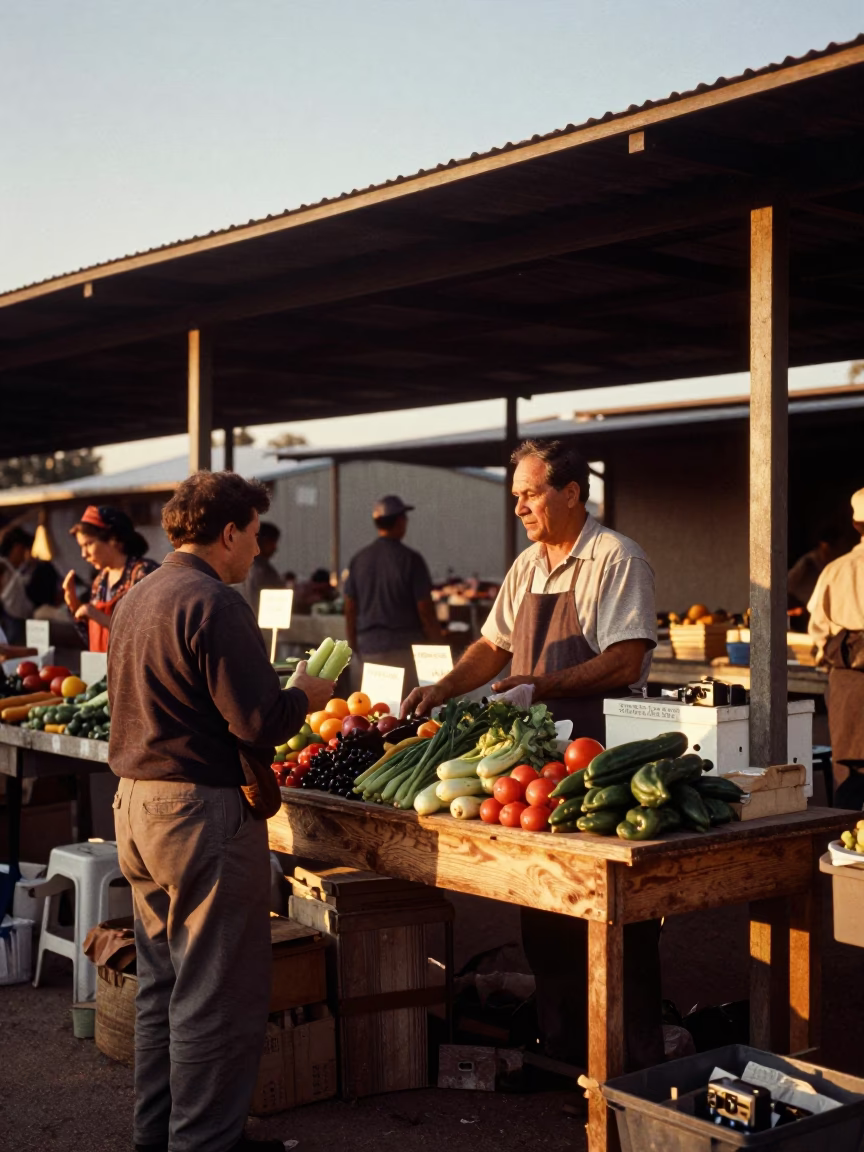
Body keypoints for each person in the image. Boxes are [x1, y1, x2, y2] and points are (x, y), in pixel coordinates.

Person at [401, 439, 660, 1070]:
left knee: (610, 915)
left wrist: (542, 684)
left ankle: (627, 1063)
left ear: (571, 492)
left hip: (598, 758)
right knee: (545, 907)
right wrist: (443, 686)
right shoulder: (527, 566)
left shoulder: (616, 559)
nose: (520, 506)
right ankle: (567, 1052)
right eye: (515, 495)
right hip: (537, 759)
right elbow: (492, 646)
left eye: (530, 493)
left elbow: (627, 657)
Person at [107, 471, 333, 1152]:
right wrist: (309, 693)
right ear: (229, 533)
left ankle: (161, 1136)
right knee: (215, 996)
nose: (257, 551)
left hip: (134, 806)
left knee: (162, 987)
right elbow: (258, 722)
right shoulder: (213, 599)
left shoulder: (138, 595)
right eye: (255, 536)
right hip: (196, 812)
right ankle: (204, 1144)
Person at [344, 495, 442, 694]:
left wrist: (353, 645)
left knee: (374, 717)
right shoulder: (411, 560)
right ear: (400, 521)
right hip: (405, 651)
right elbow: (425, 609)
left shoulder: (359, 559)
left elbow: (349, 607)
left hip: (369, 649)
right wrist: (437, 643)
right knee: (406, 716)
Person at [808, 488, 864, 802]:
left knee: (852, 782)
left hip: (850, 686)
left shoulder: (837, 570)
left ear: (856, 526)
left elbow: (819, 634)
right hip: (851, 681)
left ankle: (846, 846)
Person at [63, 505, 158, 651]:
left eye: (88, 544)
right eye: (81, 547)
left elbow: (149, 634)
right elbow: (92, 640)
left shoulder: (145, 573)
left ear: (113, 540)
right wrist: (74, 604)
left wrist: (95, 614)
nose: (83, 554)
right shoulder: (100, 581)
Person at [788, 523, 845, 628]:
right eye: (828, 544)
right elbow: (788, 583)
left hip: (822, 611)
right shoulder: (808, 562)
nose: (830, 549)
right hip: (803, 610)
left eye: (833, 545)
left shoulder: (836, 565)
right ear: (821, 544)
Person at [242, 520, 285, 617]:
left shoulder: (263, 569)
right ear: (260, 542)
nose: (275, 548)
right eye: (271, 543)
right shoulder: (255, 570)